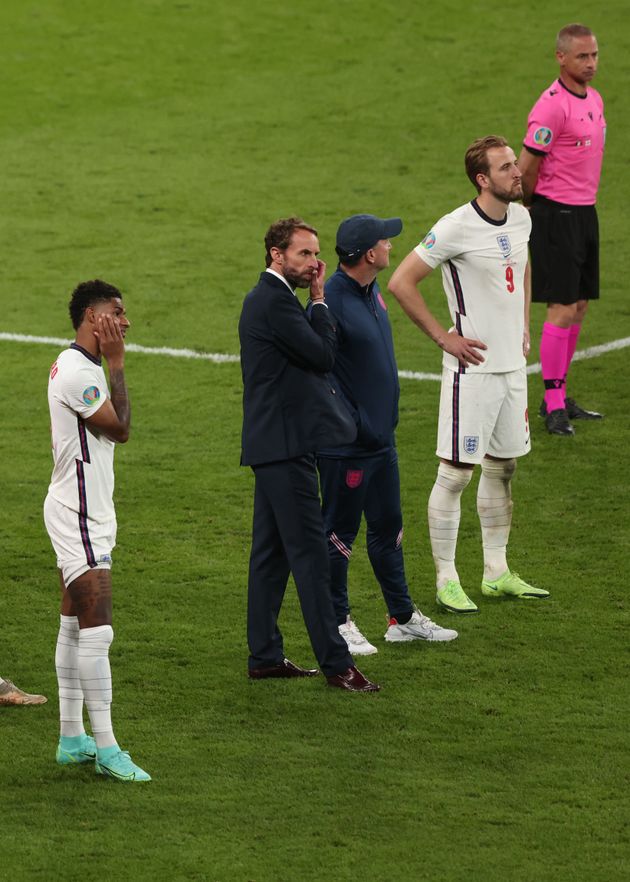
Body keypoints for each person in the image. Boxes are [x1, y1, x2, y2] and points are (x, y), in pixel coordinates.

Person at [388, 136, 550, 613]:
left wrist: (524, 324)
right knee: (457, 473)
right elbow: (401, 281)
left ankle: (496, 572)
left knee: (504, 467)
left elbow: (521, 269)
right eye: (505, 168)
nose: (517, 172)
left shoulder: (520, 217)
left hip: (511, 370)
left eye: (513, 166)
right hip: (472, 373)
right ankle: (446, 578)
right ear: (483, 180)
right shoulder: (455, 227)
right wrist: (445, 337)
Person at [239, 217, 379, 692]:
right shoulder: (275, 302)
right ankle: (338, 664)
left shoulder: (274, 299)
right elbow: (322, 355)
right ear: (277, 255)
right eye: (304, 253)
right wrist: (320, 300)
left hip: (275, 443)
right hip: (286, 445)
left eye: (316, 254)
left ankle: (264, 656)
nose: (315, 263)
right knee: (310, 556)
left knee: (271, 555)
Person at [313, 214, 458, 654]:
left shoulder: (370, 291)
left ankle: (401, 616)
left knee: (388, 529)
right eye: (384, 241)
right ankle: (337, 622)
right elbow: (318, 371)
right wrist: (351, 423)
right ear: (368, 254)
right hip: (347, 447)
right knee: (339, 536)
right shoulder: (331, 302)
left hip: (380, 441)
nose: (391, 246)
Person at [44, 279, 150, 781]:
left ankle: (71, 737)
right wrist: (118, 363)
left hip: (86, 511)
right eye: (117, 313)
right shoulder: (79, 373)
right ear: (92, 316)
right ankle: (107, 748)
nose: (125, 322)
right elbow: (120, 428)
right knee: (98, 629)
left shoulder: (79, 367)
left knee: (73, 622)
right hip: (79, 517)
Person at [518, 23, 605, 436]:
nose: (590, 63)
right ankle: (553, 405)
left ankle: (560, 393)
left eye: (594, 56)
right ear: (561, 58)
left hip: (585, 213)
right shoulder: (552, 106)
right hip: (556, 215)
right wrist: (536, 206)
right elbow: (525, 167)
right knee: (562, 307)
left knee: (581, 305)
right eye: (581, 56)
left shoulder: (595, 99)